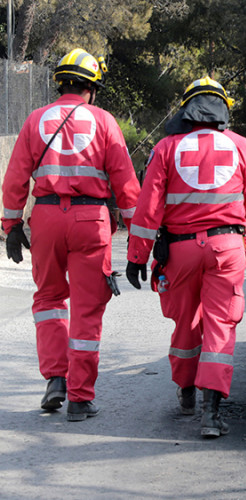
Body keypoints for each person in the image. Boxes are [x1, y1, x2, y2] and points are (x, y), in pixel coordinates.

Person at [1, 48, 141, 421]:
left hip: (45, 217)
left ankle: (55, 379)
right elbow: (127, 186)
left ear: (60, 83)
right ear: (91, 88)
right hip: (89, 221)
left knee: (48, 299)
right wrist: (141, 243)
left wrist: (11, 225)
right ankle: (80, 398)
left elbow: (15, 178)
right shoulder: (105, 121)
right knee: (87, 307)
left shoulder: (35, 120)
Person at [126, 77, 246, 438]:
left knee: (185, 322)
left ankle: (187, 392)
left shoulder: (166, 147)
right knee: (220, 324)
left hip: (180, 250)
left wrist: (137, 257)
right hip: (226, 249)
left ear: (186, 109)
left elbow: (148, 207)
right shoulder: (241, 146)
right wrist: (238, 232)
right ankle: (212, 412)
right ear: (223, 109)